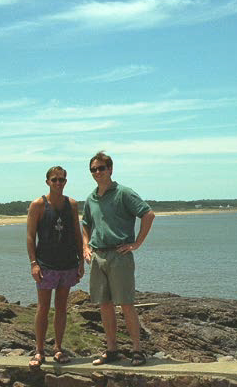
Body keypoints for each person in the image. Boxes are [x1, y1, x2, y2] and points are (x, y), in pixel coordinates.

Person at [81, 151, 155, 366]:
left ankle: (137, 351)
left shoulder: (123, 193)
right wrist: (85, 246)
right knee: (104, 305)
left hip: (119, 256)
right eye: (93, 169)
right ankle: (112, 350)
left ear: (110, 169)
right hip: (98, 256)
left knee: (126, 304)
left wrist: (136, 243)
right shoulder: (91, 198)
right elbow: (85, 223)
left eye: (101, 168)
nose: (97, 172)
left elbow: (148, 214)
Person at [27, 166, 84, 368]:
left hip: (67, 263)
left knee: (61, 307)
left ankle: (58, 348)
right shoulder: (38, 205)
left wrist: (81, 261)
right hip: (46, 265)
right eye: (54, 180)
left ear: (65, 182)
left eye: (61, 180)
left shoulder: (72, 205)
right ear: (48, 182)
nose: (58, 183)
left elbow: (77, 233)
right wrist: (34, 263)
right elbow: (30, 236)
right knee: (43, 307)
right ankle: (39, 350)